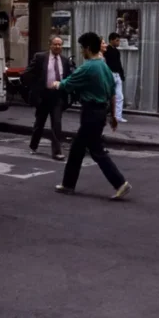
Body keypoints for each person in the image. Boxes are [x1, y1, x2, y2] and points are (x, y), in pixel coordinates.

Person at [50, 32, 130, 200]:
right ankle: (68, 184)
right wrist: (113, 116)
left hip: (90, 113)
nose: (81, 52)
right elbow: (112, 91)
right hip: (100, 112)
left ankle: (120, 183)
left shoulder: (88, 67)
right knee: (77, 149)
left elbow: (68, 83)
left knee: (96, 150)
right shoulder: (104, 66)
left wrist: (57, 84)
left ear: (87, 48)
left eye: (81, 48)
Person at [23, 35, 73, 160]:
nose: (57, 47)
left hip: (57, 96)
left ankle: (57, 151)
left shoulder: (65, 61)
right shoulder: (40, 57)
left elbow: (69, 77)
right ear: (50, 45)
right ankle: (33, 145)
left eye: (60, 44)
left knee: (56, 123)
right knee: (39, 123)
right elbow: (28, 73)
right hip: (43, 95)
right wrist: (34, 88)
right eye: (55, 44)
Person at [105, 32, 127, 123]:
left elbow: (119, 63)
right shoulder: (106, 50)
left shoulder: (117, 51)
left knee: (119, 96)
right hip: (110, 74)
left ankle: (118, 116)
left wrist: (121, 74)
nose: (118, 43)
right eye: (117, 40)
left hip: (117, 74)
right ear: (111, 40)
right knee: (107, 95)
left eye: (119, 40)